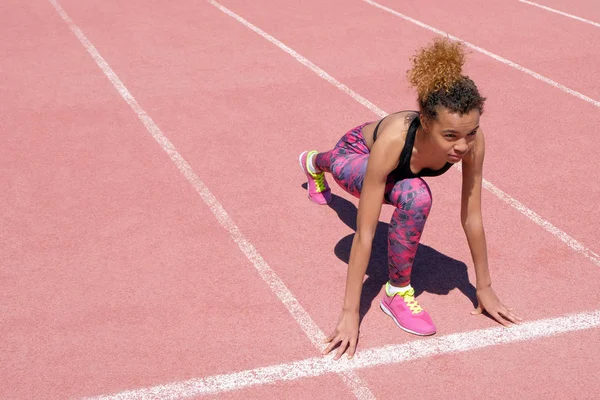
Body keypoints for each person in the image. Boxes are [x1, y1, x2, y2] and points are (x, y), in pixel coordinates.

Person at [299, 38, 522, 361]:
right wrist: (351, 313)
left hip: (383, 161)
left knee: (411, 190)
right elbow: (366, 232)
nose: (462, 146)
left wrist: (483, 287)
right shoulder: (395, 141)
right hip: (356, 152)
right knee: (414, 194)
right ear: (427, 123)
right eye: (450, 136)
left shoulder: (471, 139)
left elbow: (472, 216)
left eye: (470, 132)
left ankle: (312, 161)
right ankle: (397, 291)